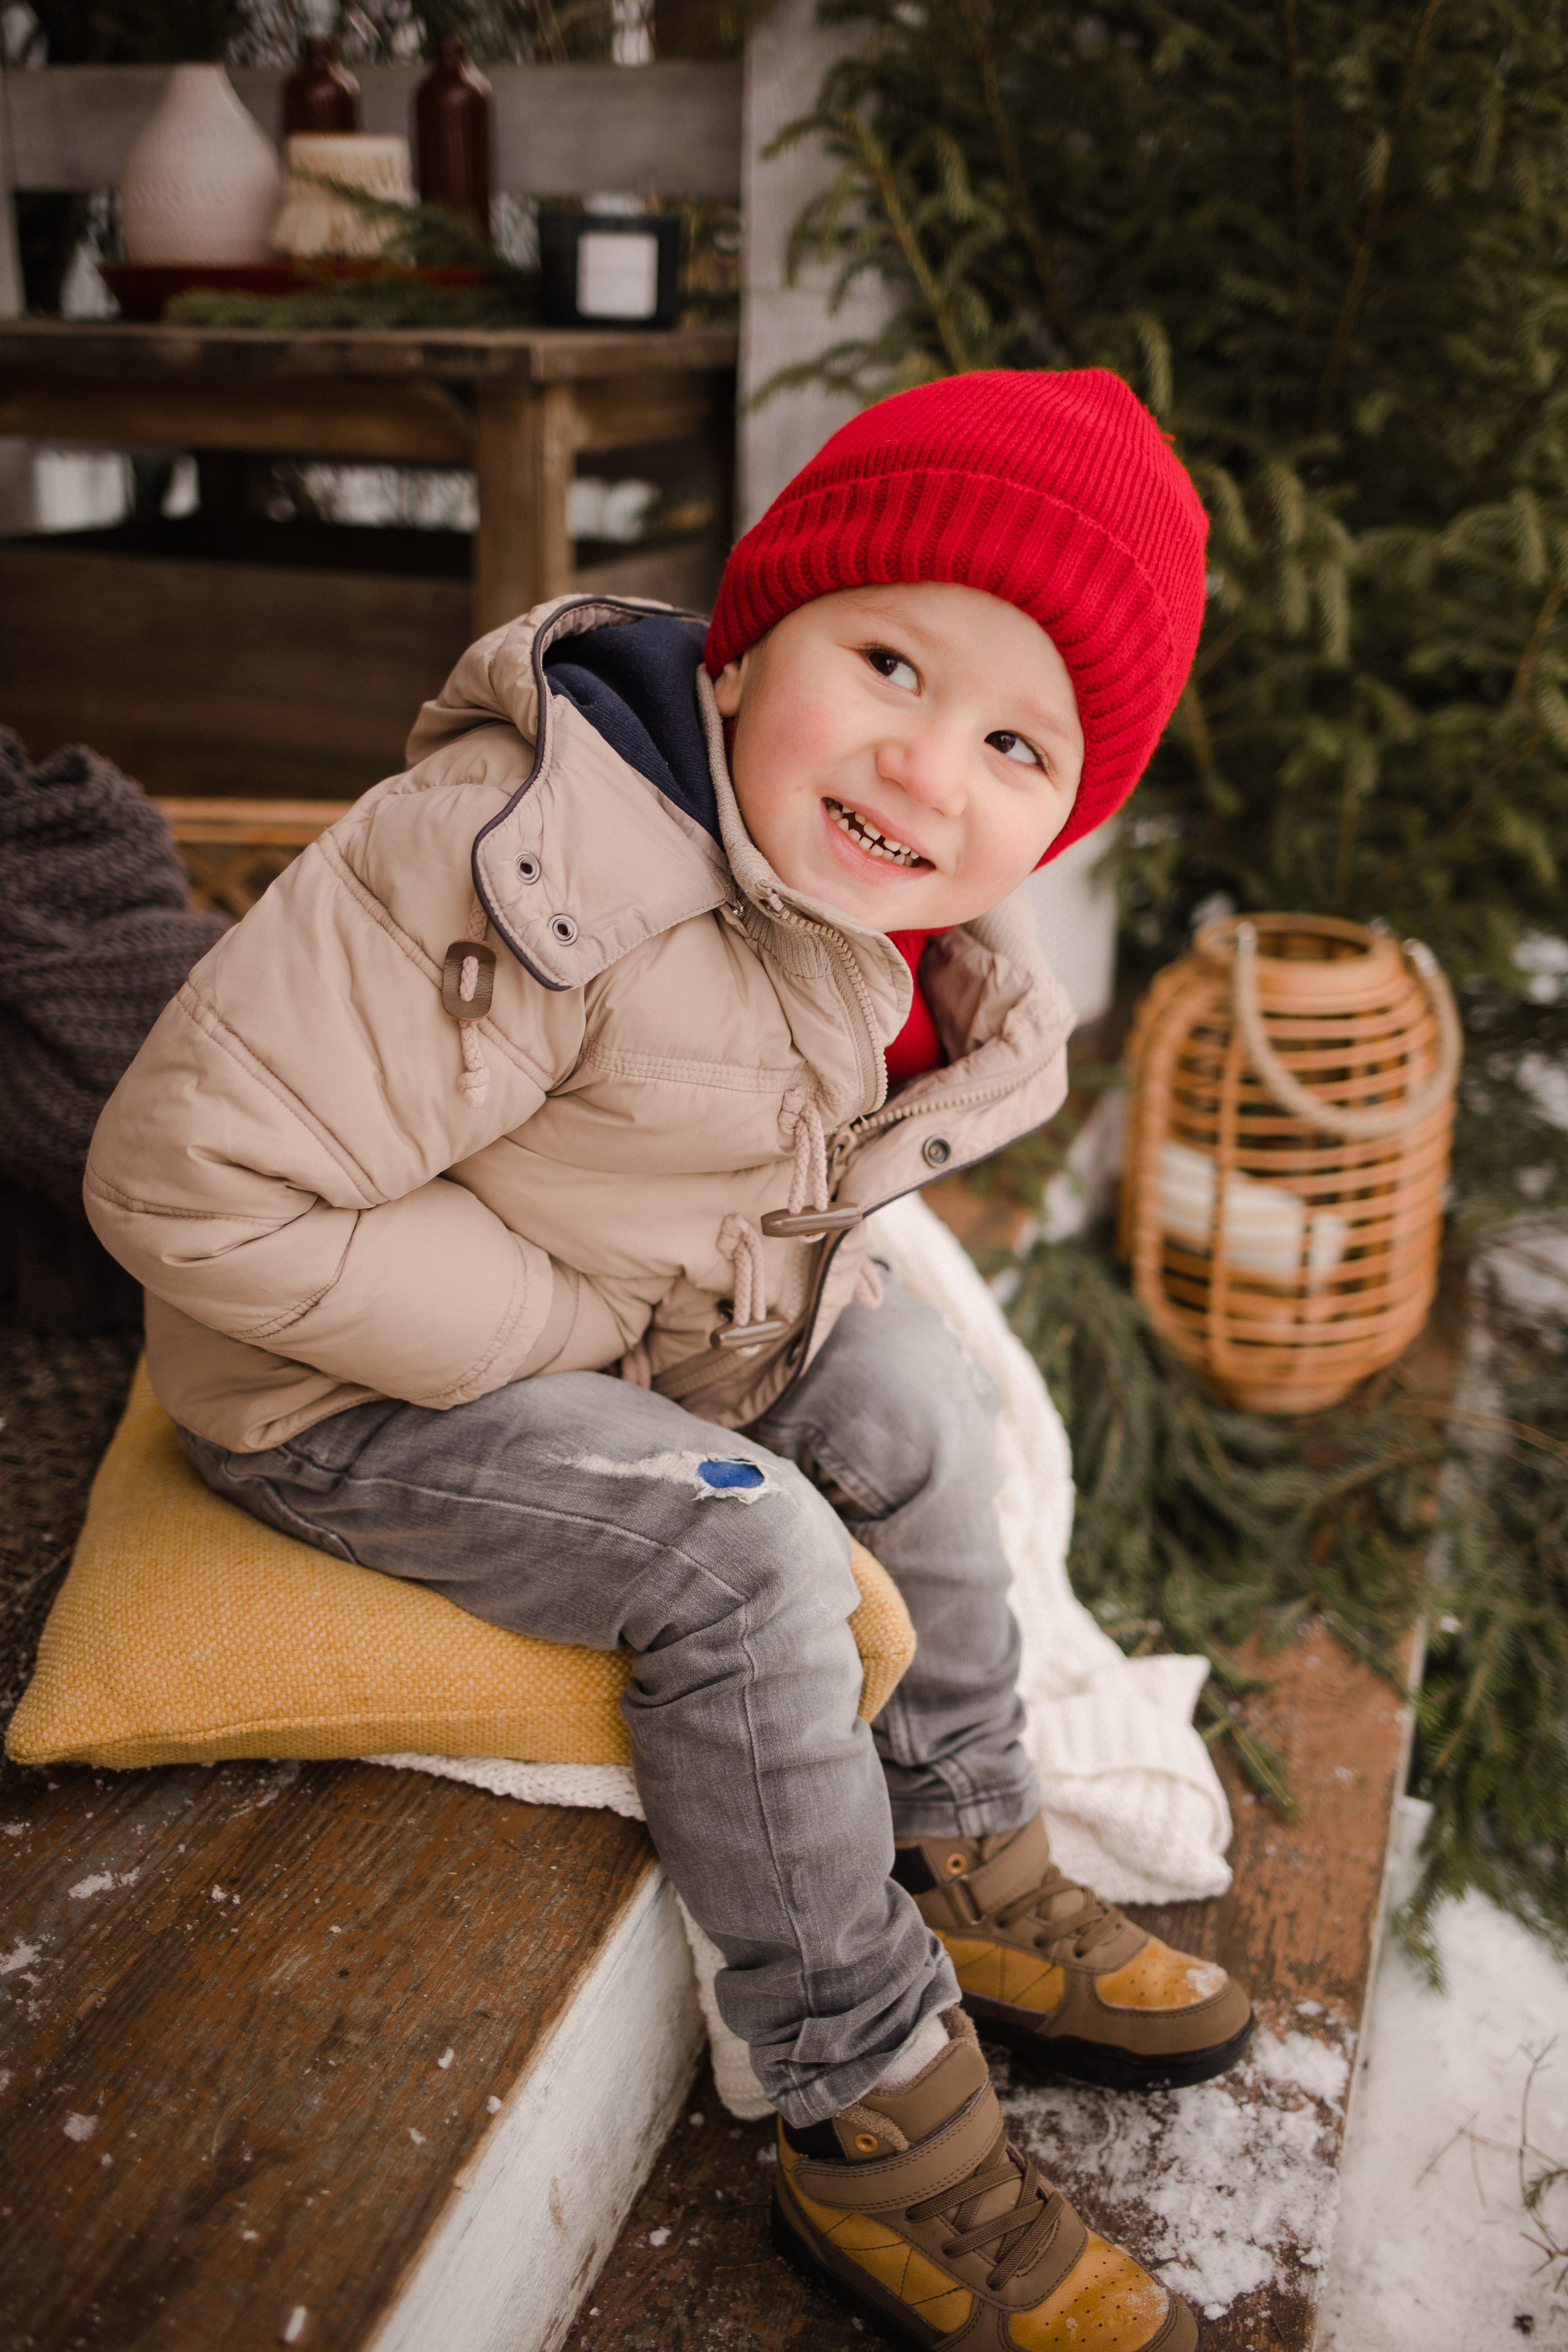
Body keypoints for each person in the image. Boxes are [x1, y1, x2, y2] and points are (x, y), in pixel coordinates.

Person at [86, 369, 1250, 2351]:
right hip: (333, 1381)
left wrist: (736, 1296)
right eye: (887, 659)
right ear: (743, 644)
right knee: (750, 1549)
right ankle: (867, 2106)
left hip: (609, 1313)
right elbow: (187, 1185)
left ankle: (963, 1840)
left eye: (1012, 743)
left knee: (907, 1396)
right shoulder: (525, 856)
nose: (923, 764)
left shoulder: (845, 919)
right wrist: (584, 1335)